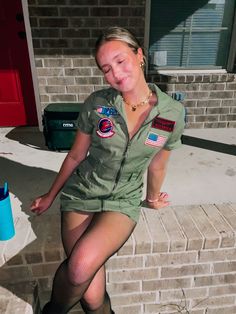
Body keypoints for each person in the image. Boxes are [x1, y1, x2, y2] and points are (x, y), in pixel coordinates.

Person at [31, 26, 185, 314]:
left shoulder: (170, 114)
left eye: (120, 60)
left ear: (139, 55)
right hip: (83, 192)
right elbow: (76, 155)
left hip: (121, 200)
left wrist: (152, 199)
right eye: (106, 68)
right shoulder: (98, 104)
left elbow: (157, 164)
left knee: (79, 267)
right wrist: (51, 195)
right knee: (91, 297)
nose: (115, 73)